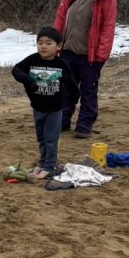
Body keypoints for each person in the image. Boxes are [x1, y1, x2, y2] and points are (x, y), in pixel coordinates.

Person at [53, 0, 117, 139]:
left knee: (88, 91)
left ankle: (84, 125)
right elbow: (60, 17)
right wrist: (56, 43)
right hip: (67, 51)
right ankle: (62, 121)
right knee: (65, 89)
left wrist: (101, 54)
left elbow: (108, 26)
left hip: (90, 55)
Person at [12, 27, 80, 179]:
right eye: (40, 43)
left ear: (58, 46)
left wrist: (73, 101)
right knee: (41, 138)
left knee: (51, 139)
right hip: (37, 107)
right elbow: (16, 70)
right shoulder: (32, 60)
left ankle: (50, 166)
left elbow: (72, 86)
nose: (43, 46)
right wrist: (29, 81)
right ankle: (42, 163)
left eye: (48, 43)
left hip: (55, 109)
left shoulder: (61, 64)